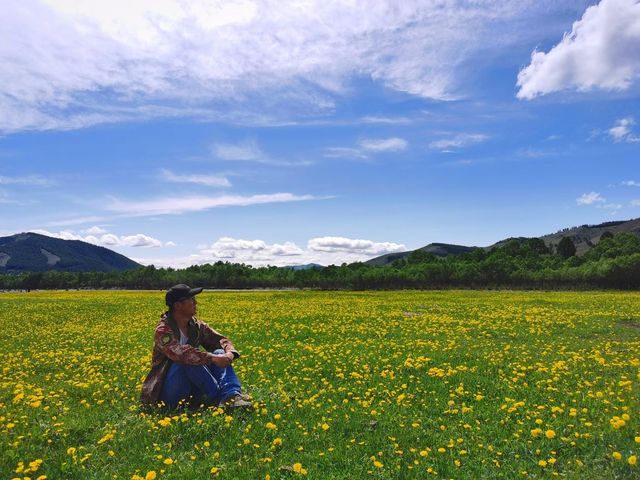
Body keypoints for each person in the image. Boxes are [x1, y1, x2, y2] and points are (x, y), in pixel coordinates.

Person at [140, 284, 251, 409]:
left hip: (192, 387)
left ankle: (231, 395)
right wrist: (212, 358)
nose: (196, 302)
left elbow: (220, 340)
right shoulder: (163, 330)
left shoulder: (196, 325)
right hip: (168, 393)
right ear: (178, 305)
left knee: (220, 351)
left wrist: (229, 353)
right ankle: (223, 398)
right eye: (191, 300)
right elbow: (181, 354)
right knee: (187, 360)